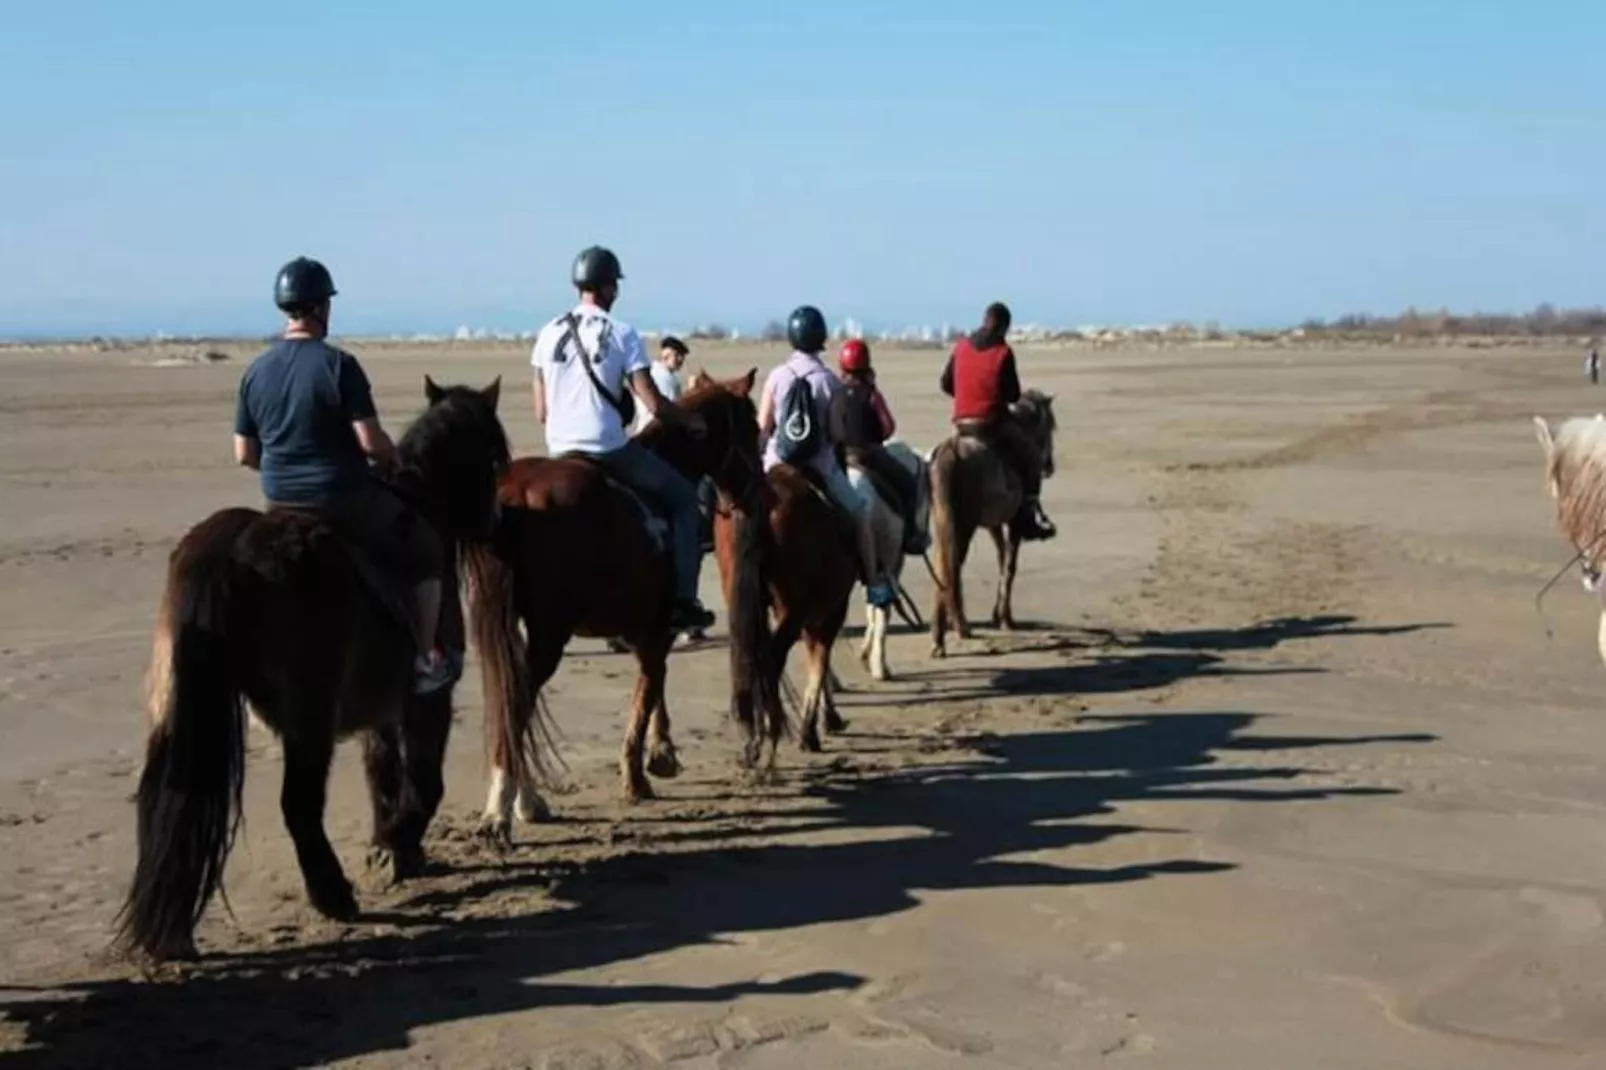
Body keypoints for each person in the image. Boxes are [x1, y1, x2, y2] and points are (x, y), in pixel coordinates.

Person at [233, 256, 455, 693]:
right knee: (427, 548)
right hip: (342, 498)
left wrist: (285, 469)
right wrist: (391, 460)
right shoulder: (339, 366)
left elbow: (244, 453)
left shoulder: (255, 370)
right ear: (319, 307)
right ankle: (425, 659)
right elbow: (370, 442)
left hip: (278, 500)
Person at [530, 246, 716, 633]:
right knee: (683, 501)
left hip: (559, 448)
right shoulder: (623, 333)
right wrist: (691, 422)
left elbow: (541, 411)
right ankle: (684, 600)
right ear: (610, 287)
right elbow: (653, 403)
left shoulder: (547, 333)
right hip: (607, 450)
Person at [758, 306, 894, 607]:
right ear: (820, 338)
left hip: (776, 465)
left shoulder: (777, 375)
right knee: (860, 513)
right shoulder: (830, 381)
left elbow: (763, 427)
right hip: (818, 468)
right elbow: (835, 434)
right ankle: (874, 583)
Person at [939, 301, 1056, 540]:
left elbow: (945, 384)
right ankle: (1027, 518)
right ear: (1003, 327)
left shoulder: (961, 347)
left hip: (961, 424)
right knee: (1032, 457)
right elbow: (1013, 395)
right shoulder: (1003, 352)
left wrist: (965, 395)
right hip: (989, 424)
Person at [829, 339, 926, 554]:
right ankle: (911, 534)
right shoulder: (871, 393)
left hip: (839, 459)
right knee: (909, 484)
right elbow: (888, 428)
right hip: (867, 457)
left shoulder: (835, 393)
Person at [633, 335, 690, 433]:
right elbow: (670, 408)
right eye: (676, 355)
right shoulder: (663, 376)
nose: (680, 360)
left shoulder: (656, 371)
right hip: (655, 433)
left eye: (682, 356)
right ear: (665, 356)